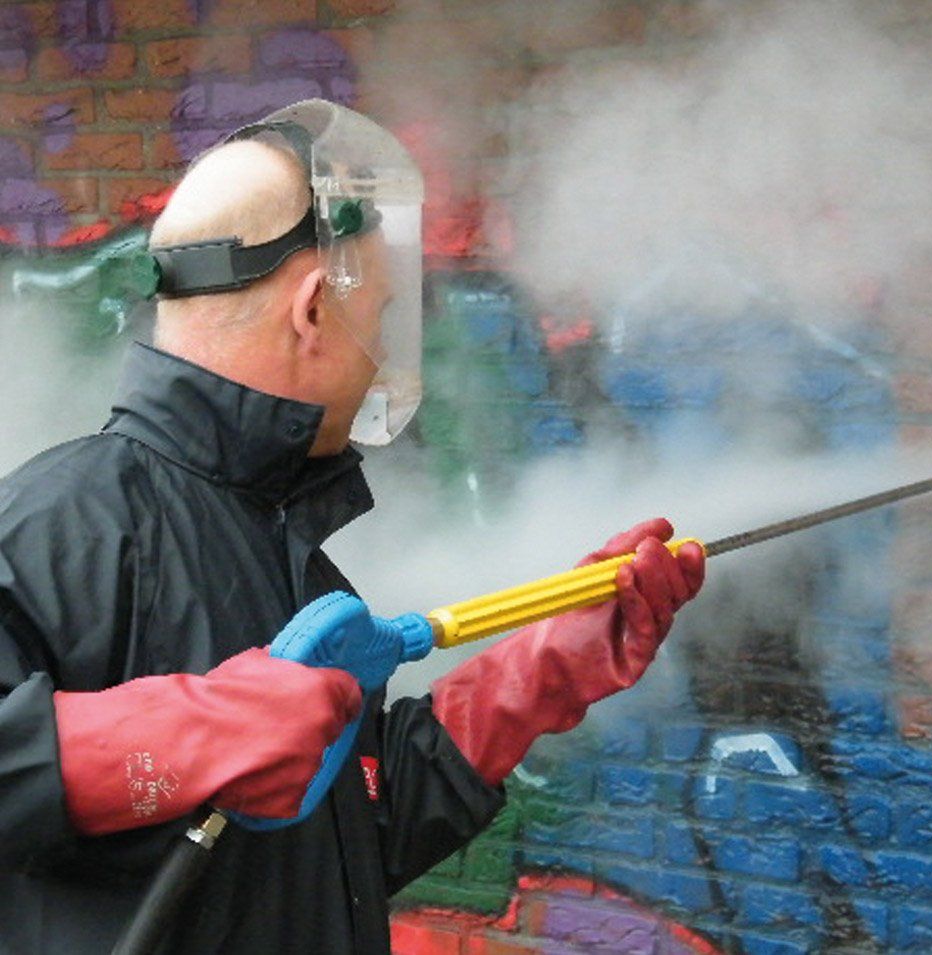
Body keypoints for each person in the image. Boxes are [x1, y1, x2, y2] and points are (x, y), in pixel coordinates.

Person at [0, 99, 705, 953]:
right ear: (310, 310)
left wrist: (547, 663)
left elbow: (348, 840)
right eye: (377, 317)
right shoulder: (62, 524)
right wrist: (181, 739)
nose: (382, 354)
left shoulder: (296, 561)